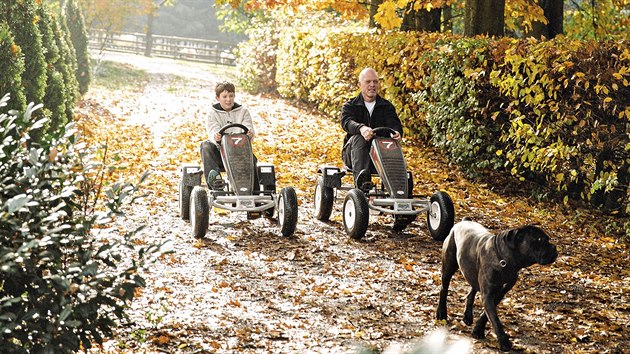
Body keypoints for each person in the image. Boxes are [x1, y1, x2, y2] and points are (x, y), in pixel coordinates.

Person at [341, 68, 403, 188]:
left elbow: (394, 123)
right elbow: (347, 122)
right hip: (353, 155)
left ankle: (399, 189)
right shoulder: (350, 106)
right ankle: (362, 186)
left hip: (380, 156)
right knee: (359, 139)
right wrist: (361, 128)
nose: (372, 85)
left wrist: (396, 132)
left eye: (375, 82)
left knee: (390, 142)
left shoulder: (386, 106)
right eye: (368, 82)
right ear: (360, 85)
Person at [200, 81, 256, 189]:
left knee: (253, 159)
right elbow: (212, 130)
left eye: (231, 96)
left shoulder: (243, 112)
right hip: (220, 154)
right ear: (218, 98)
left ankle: (253, 189)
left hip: (240, 153)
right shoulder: (213, 113)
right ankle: (216, 184)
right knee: (205, 145)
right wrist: (216, 137)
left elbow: (249, 129)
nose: (228, 99)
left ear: (234, 96)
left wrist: (249, 134)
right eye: (224, 96)